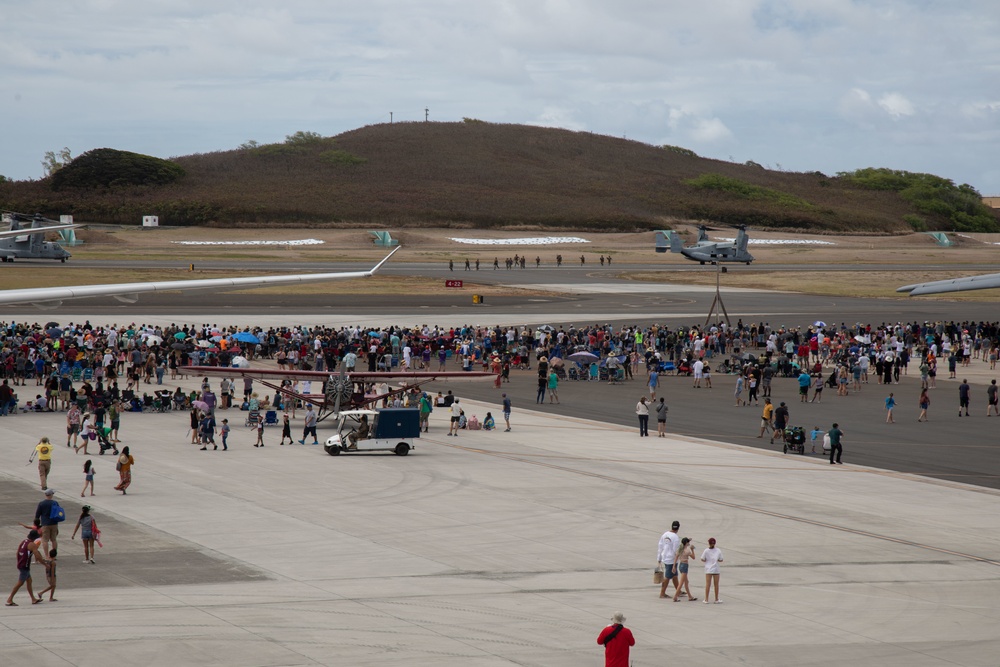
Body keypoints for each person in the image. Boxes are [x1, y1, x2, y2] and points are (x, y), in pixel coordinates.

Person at [6, 529, 48, 606]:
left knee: (29, 581)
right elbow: (38, 557)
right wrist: (45, 564)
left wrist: (19, 561)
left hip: (21, 564)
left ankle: (33, 599)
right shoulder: (32, 545)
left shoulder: (24, 541)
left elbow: (18, 552)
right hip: (24, 566)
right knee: (20, 583)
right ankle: (10, 599)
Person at [34, 488, 62, 557]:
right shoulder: (55, 503)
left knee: (45, 540)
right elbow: (58, 513)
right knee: (54, 540)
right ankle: (54, 555)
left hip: (45, 524)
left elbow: (37, 515)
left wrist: (37, 525)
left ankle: (46, 555)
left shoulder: (41, 503)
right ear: (51, 495)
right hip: (54, 523)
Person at [657, 520, 681, 597]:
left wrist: (659, 558)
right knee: (667, 577)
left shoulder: (665, 534)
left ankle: (678, 591)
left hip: (665, 557)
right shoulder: (676, 537)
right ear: (678, 528)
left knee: (674, 575)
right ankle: (662, 593)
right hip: (671, 559)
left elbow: (660, 546)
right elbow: (675, 550)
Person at [672, 537, 698, 602]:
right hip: (685, 565)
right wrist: (692, 549)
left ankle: (690, 596)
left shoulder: (680, 549)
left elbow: (676, 557)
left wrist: (674, 566)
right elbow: (693, 557)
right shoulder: (687, 551)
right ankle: (675, 596)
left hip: (680, 565)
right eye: (688, 542)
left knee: (686, 582)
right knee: (681, 583)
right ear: (686, 543)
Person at [701, 537, 724, 604]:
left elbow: (702, 559)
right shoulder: (718, 550)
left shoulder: (706, 550)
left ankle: (706, 599)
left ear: (709, 543)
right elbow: (721, 559)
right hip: (716, 569)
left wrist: (706, 561)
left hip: (708, 569)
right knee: (716, 585)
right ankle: (716, 599)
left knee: (708, 584)